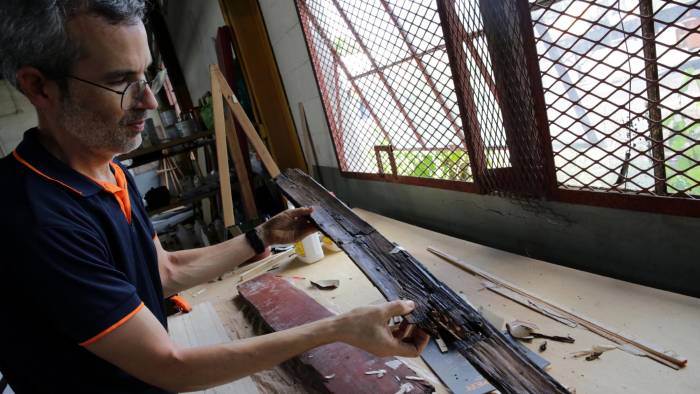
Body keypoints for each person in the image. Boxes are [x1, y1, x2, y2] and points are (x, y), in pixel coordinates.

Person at [0, 1, 429, 392]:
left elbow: (162, 270)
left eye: (145, 75)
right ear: (40, 87)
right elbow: (170, 366)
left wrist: (260, 237)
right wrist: (336, 329)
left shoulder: (106, 167)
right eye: (121, 82)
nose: (148, 100)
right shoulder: (32, 216)